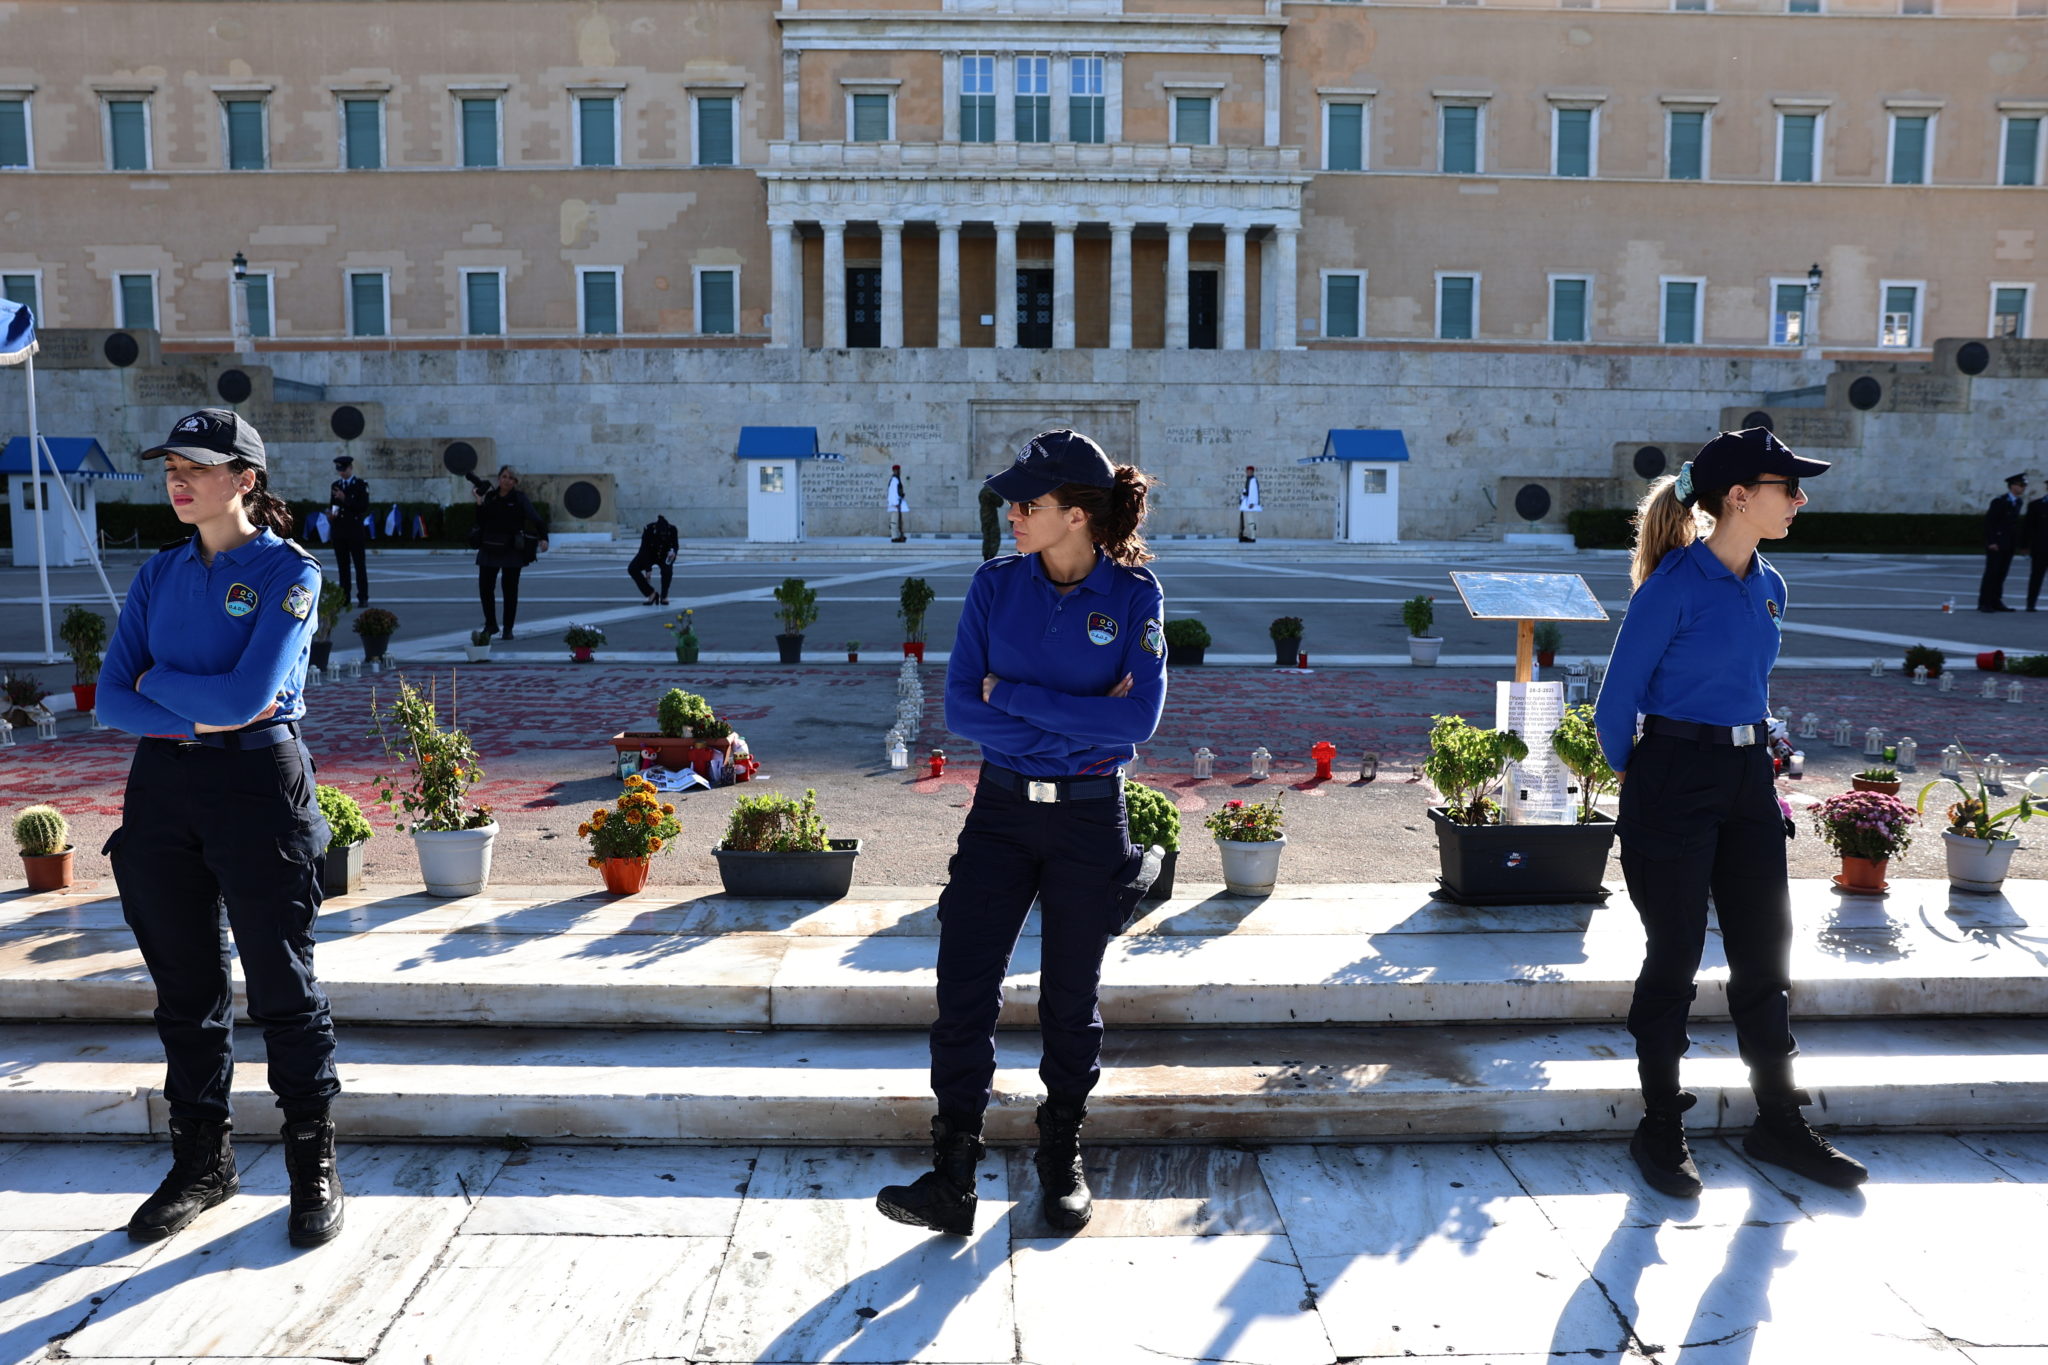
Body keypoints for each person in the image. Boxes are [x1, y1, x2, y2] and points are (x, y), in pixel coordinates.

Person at [876, 429, 1167, 1238]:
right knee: (963, 989)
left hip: (1089, 817)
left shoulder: (1134, 597)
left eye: (1027, 503)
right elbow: (960, 709)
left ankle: (1060, 1156)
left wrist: (1011, 695)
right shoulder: (994, 585)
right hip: (1000, 814)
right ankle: (953, 1174)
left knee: (1071, 1000)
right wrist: (1077, 718)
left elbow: (1138, 721)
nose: (1011, 514)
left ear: (1076, 514)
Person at [1595, 426, 1868, 1199]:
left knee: (1764, 954)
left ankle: (1777, 1120)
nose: (1801, 499)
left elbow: (1748, 684)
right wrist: (1649, 782)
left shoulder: (1770, 584)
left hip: (1748, 778)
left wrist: (1749, 769)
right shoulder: (1672, 585)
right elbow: (1615, 707)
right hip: (1673, 776)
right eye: (1789, 487)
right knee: (1675, 953)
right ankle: (1659, 1124)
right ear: (1740, 497)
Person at [95, 408, 346, 1248]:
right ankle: (204, 1161)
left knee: (283, 983)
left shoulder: (289, 572)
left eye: (197, 467)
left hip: (257, 786)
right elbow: (112, 699)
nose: (179, 480)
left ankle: (311, 1161)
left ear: (245, 479)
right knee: (185, 990)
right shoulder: (159, 573)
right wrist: (191, 707)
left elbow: (247, 698)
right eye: (171, 466)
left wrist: (162, 683)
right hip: (163, 791)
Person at [473, 464, 549, 639]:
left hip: (512, 548)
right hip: (490, 546)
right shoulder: (490, 496)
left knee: (510, 590)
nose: (507, 480)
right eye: (504, 476)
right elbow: (481, 521)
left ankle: (508, 628)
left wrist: (544, 537)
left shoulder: (519, 498)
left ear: (515, 482)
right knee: (485, 588)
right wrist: (479, 501)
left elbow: (535, 518)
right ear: (499, 478)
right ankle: (491, 625)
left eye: (511, 478)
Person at [328, 454, 371, 607]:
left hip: (355, 531)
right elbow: (334, 505)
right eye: (339, 470)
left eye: (344, 469)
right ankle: (344, 598)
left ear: (350, 468)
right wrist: (331, 515)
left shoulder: (360, 485)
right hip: (339, 531)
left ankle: (363, 597)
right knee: (343, 566)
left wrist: (345, 499)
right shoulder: (336, 485)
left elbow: (363, 507)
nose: (342, 473)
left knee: (359, 565)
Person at [1980, 472, 2026, 612]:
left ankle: (1996, 600)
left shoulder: (2018, 502)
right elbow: (1990, 523)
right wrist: (1992, 541)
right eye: (2021, 485)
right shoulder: (1999, 501)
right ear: (2012, 486)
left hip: (2008, 543)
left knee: (2001, 574)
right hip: (1997, 543)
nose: (2023, 488)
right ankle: (1984, 602)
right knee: (1992, 573)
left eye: (2024, 485)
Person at [628, 513, 679, 605]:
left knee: (667, 571)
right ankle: (651, 593)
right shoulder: (649, 529)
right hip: (649, 554)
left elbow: (675, 545)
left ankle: (664, 596)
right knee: (632, 568)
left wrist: (673, 552)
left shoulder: (673, 530)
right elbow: (644, 549)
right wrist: (648, 569)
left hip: (664, 555)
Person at [2026, 488, 2048, 611]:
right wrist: (2025, 545)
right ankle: (2031, 603)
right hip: (2041, 548)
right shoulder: (2036, 505)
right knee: (2036, 577)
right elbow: (2028, 527)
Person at [887, 464, 909, 543]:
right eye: (897, 470)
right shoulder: (894, 480)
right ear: (894, 471)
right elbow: (892, 493)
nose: (899, 471)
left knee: (898, 520)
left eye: (899, 470)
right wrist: (895, 503)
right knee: (894, 521)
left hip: (898, 503)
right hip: (895, 504)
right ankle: (894, 537)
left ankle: (898, 535)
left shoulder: (896, 479)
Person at [1239, 465, 1261, 543]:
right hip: (1247, 502)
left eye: (1250, 471)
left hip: (1250, 504)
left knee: (1250, 520)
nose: (1248, 473)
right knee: (1249, 519)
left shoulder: (1253, 480)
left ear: (1252, 472)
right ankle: (1251, 536)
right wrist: (1242, 497)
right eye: (1247, 471)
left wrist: (1252, 502)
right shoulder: (1248, 480)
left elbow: (1254, 492)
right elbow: (1246, 490)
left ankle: (1253, 537)